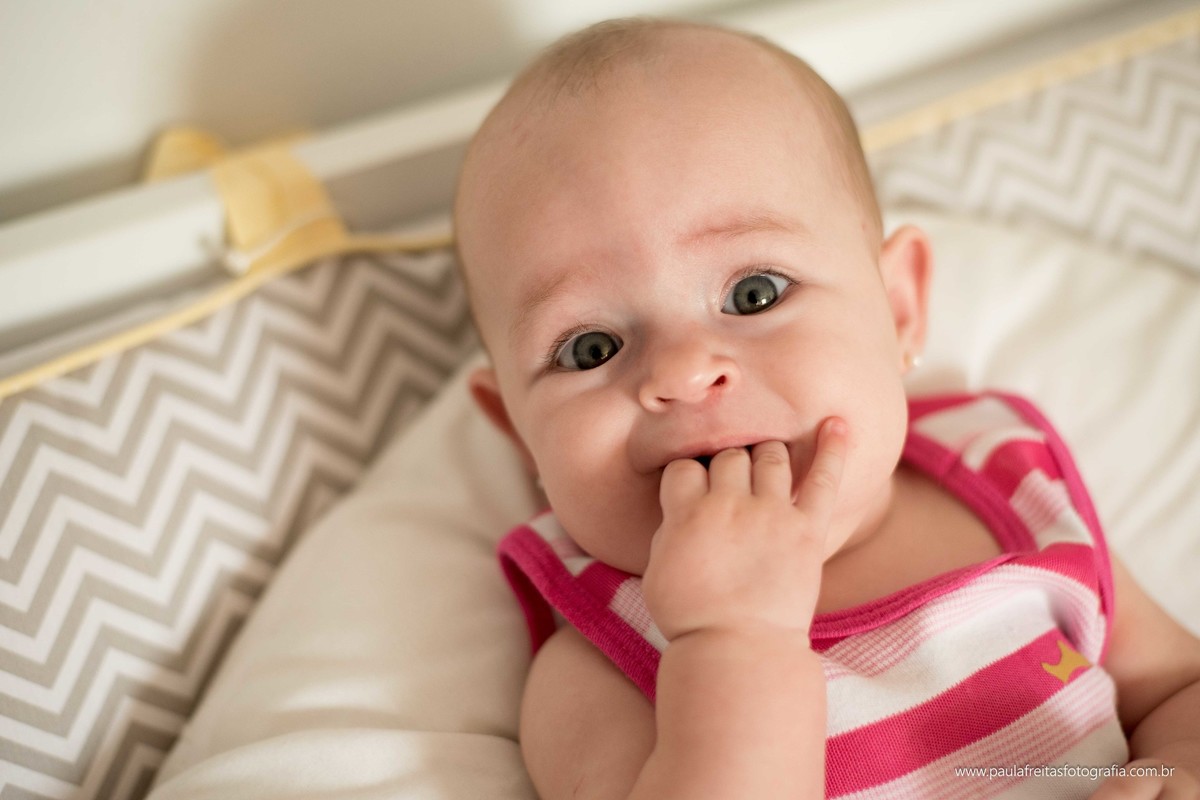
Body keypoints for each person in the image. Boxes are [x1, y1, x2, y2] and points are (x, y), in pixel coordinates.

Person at [452, 17, 1200, 800]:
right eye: (589, 348)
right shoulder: (605, 658)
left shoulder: (1015, 486)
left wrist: (1168, 774)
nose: (681, 372)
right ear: (518, 433)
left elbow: (1179, 690)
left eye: (754, 293)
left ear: (899, 309)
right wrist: (735, 640)